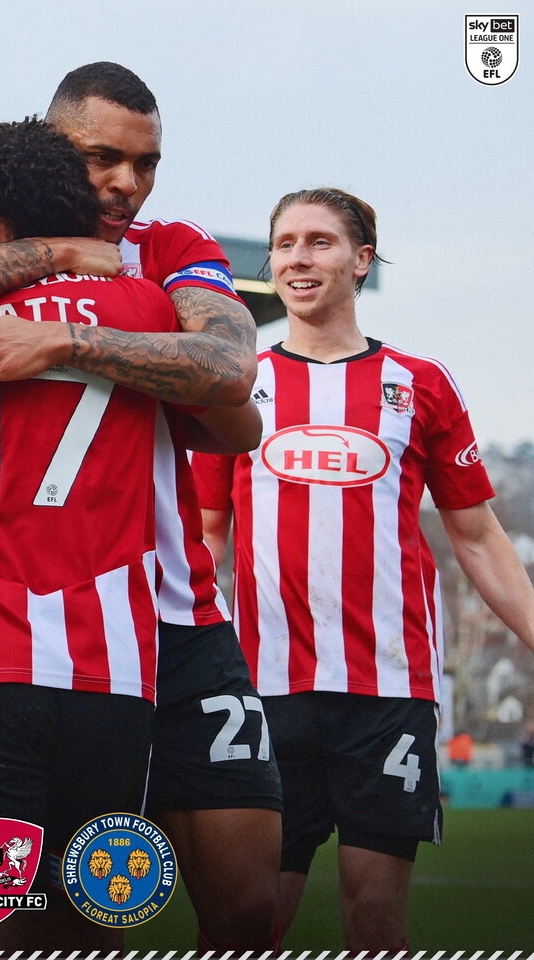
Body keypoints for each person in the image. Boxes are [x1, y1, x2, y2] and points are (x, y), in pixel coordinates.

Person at [0, 62, 282, 950]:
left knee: (243, 908)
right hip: (66, 625)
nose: (127, 183)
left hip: (171, 614)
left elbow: (233, 380)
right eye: (102, 158)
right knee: (74, 907)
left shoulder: (168, 249)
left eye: (146, 163)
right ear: (50, 150)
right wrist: (61, 257)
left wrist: (68, 339)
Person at [192, 187, 534, 951]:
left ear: (361, 260)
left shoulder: (420, 384)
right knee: (248, 922)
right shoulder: (238, 385)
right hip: (264, 690)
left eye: (319, 241)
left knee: (376, 921)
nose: (298, 258)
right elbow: (205, 535)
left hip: (388, 691)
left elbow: (478, 537)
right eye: (285, 243)